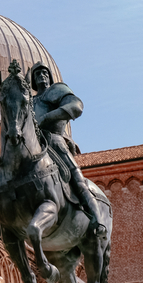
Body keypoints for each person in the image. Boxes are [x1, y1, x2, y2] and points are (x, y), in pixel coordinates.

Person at [30, 62, 107, 238]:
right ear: (33, 80)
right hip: (33, 145)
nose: (41, 75)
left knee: (77, 178)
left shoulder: (56, 91)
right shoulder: (31, 101)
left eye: (44, 72)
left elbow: (75, 106)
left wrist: (48, 117)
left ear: (49, 76)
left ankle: (98, 219)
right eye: (37, 74)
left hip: (55, 142)